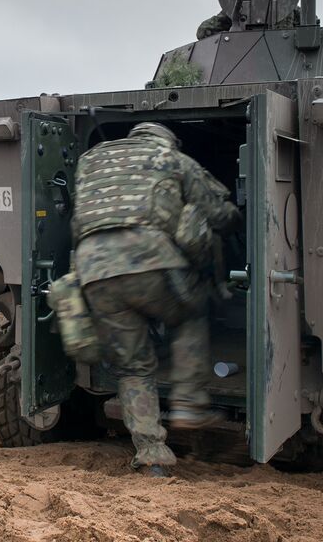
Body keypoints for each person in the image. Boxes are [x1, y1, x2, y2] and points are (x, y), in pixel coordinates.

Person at [71, 122, 238, 477]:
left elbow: (78, 222)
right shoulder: (171, 158)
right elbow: (219, 212)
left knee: (132, 366)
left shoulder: (91, 162)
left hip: (93, 268)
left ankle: (152, 454)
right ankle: (190, 404)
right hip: (150, 261)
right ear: (167, 140)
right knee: (191, 315)